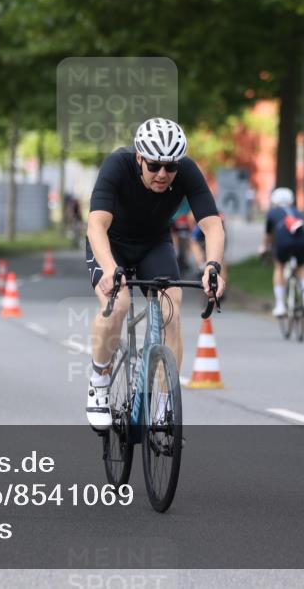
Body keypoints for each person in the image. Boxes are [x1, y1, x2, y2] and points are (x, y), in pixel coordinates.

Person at [85, 117, 226, 431]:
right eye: (154, 165)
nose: (163, 174)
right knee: (117, 305)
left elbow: (212, 224)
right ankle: (98, 381)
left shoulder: (187, 171)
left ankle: (163, 406)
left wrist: (212, 266)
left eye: (170, 167)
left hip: (154, 244)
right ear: (139, 158)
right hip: (111, 245)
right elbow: (96, 226)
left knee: (171, 313)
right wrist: (110, 269)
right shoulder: (117, 166)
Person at [261, 187, 304, 316]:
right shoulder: (298, 212)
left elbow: (268, 235)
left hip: (284, 242)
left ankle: (280, 305)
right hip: (303, 241)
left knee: (279, 266)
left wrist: (263, 247)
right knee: (301, 266)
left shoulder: (272, 213)